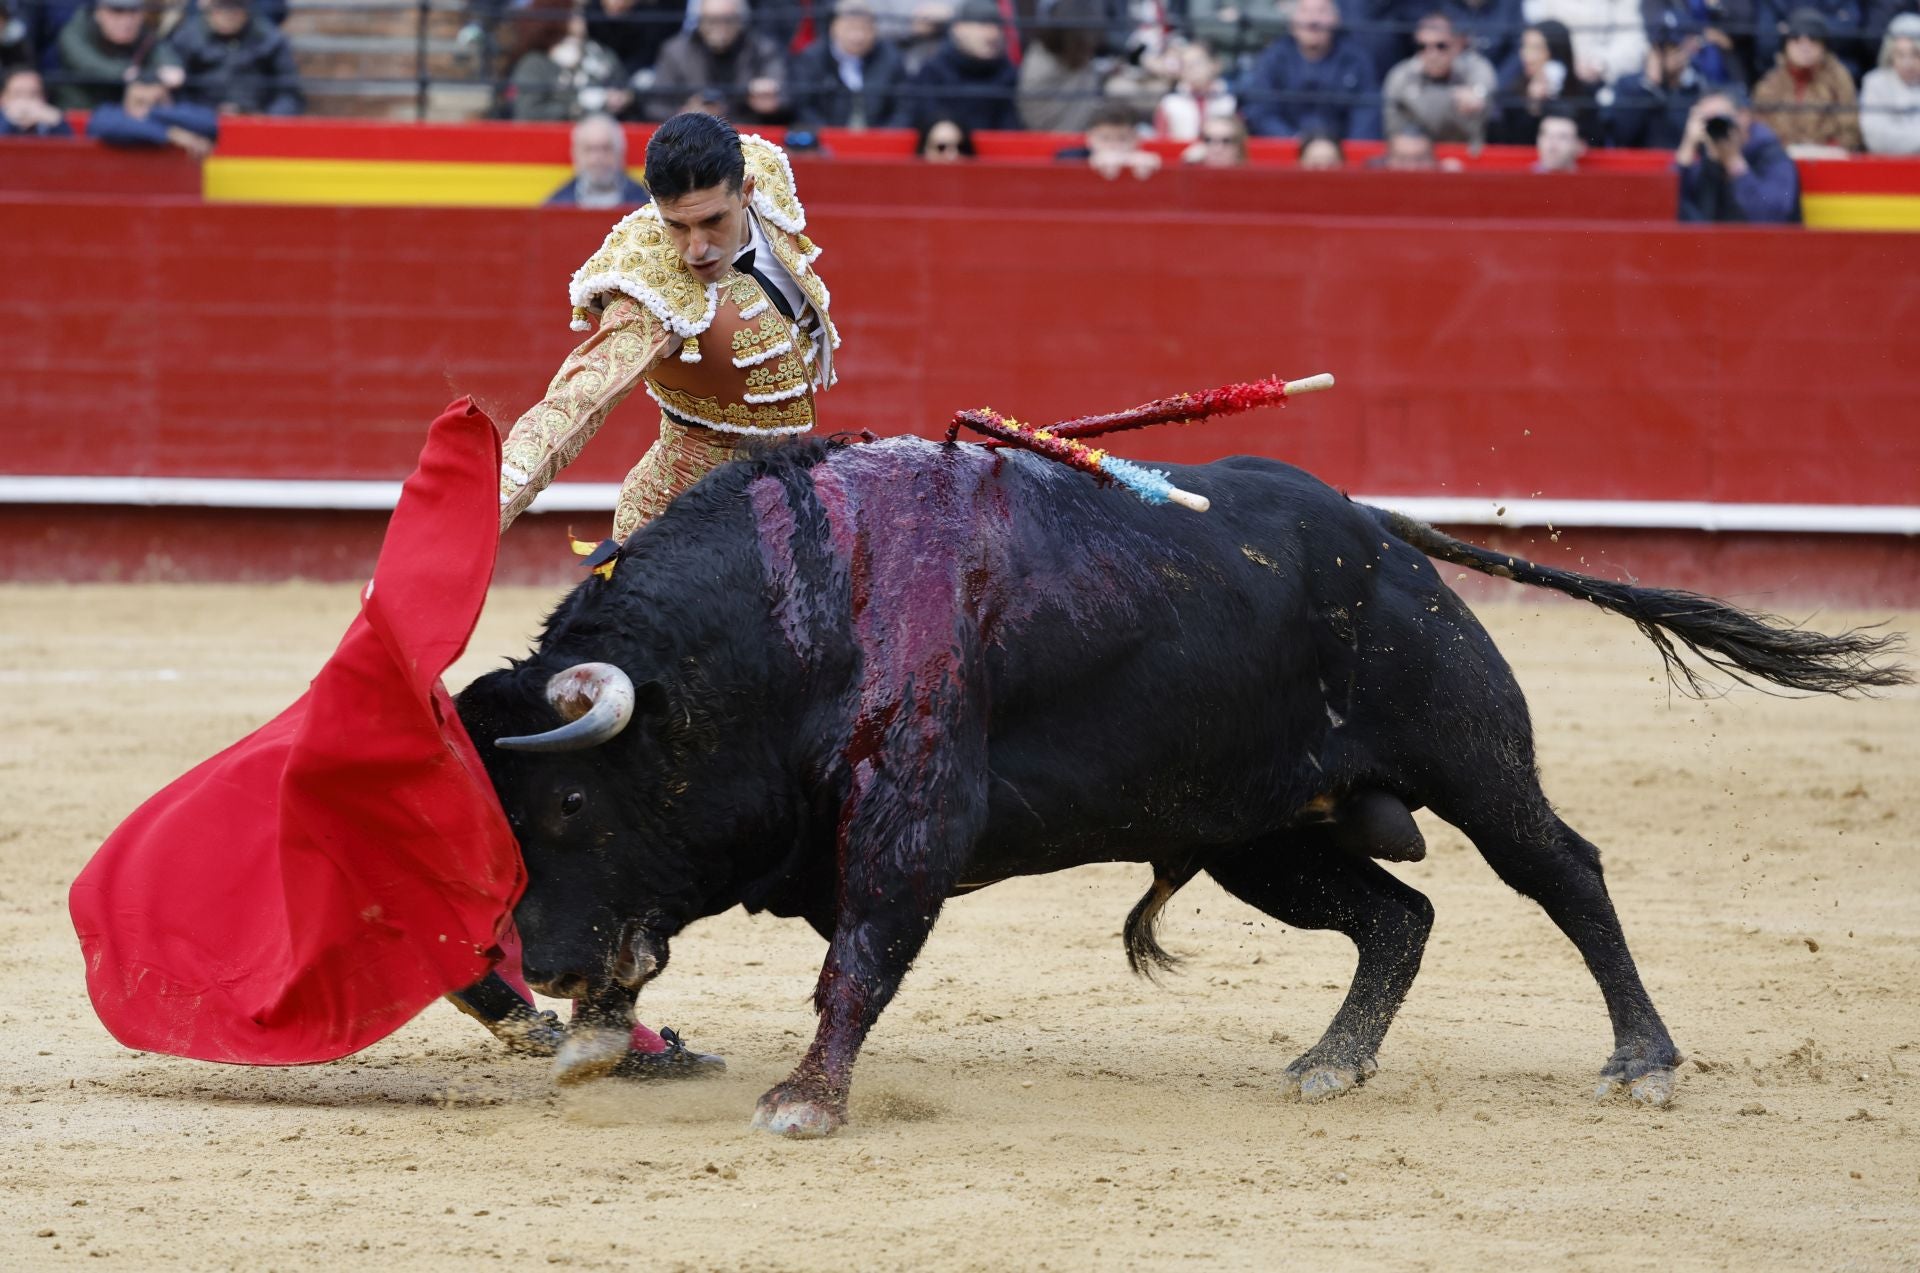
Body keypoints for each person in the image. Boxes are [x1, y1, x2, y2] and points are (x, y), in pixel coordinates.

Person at [499, 111, 841, 556]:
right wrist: (482, 513)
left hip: (781, 501)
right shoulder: (651, 285)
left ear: (747, 194)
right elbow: (576, 403)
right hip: (676, 523)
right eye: (676, 226)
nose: (696, 249)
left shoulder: (764, 177)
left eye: (713, 221)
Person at [1239, 0, 1382, 140]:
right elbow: (1262, 112)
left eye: (1322, 11)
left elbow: (1366, 115)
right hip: (1286, 152)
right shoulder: (1273, 59)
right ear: (1292, 22)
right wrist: (1296, 143)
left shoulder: (1356, 60)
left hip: (1341, 154)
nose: (1313, 20)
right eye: (1305, 11)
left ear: (1336, 19)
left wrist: (1339, 151)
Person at [646, 0, 786, 122]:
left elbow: (788, 97)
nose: (719, 28)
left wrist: (770, 100)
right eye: (711, 20)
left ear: (740, 21)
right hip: (692, 140)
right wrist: (686, 113)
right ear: (699, 21)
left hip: (748, 135)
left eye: (727, 20)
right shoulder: (675, 52)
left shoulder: (761, 49)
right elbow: (654, 108)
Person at [1676, 85, 1801, 221]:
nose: (1714, 128)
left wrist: (1734, 162)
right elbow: (1668, 207)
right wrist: (1687, 146)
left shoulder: (1771, 156)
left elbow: (1772, 216)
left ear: (1744, 117)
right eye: (1707, 121)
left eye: (1720, 120)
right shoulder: (1704, 160)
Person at [162, 0, 302, 116]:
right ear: (206, 7)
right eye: (220, 6)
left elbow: (289, 92)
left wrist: (268, 118)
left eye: (236, 5)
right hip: (202, 124)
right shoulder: (186, 39)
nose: (228, 14)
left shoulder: (270, 39)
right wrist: (199, 116)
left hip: (257, 122)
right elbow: (174, 92)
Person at [789, 0, 913, 129]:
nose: (858, 36)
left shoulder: (891, 58)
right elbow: (804, 107)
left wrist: (886, 137)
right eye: (850, 28)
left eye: (865, 29)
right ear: (833, 27)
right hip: (826, 140)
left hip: (879, 140)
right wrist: (827, 135)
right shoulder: (813, 58)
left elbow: (903, 108)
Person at [1752, 7, 1863, 148]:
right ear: (1785, 45)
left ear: (1824, 46)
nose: (1805, 46)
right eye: (1796, 39)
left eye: (1813, 39)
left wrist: (1830, 148)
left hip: (1829, 159)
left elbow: (1850, 129)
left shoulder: (1839, 79)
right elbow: (1760, 128)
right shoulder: (1770, 83)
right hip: (1782, 159)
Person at [1382, 11, 1497, 145]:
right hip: (1419, 158)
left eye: (1441, 46)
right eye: (1422, 47)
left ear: (1457, 45)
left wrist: (1478, 95)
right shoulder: (1401, 76)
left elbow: (1485, 87)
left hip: (1468, 155)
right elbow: (1394, 132)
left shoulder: (1473, 66)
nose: (1432, 54)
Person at [906, 0, 1020, 131]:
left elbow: (1012, 129)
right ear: (958, 29)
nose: (992, 34)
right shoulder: (933, 72)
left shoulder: (1008, 73)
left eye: (997, 26)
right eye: (983, 25)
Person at [502, 5, 628, 121]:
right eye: (574, 13)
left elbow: (625, 85)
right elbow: (527, 113)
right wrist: (576, 108)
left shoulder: (600, 53)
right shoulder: (535, 63)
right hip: (555, 137)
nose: (581, 18)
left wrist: (621, 98)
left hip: (606, 130)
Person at [1606, 9, 1709, 147]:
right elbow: (1621, 138)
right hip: (1639, 166)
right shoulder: (1628, 86)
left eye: (1674, 47)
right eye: (1661, 48)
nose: (1669, 55)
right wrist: (1650, 85)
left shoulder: (1700, 85)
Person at [1490, 18, 1601, 143]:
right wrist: (1533, 108)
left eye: (1536, 48)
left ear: (1555, 52)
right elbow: (1510, 144)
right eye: (1525, 46)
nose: (1527, 55)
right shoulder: (1512, 93)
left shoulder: (1583, 93)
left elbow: (1594, 140)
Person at [53, 0, 174, 110]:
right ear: (99, 12)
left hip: (127, 114)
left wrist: (167, 68)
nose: (127, 20)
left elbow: (164, 56)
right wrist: (127, 72)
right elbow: (88, 63)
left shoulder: (143, 33)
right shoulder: (76, 32)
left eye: (133, 11)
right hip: (83, 113)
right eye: (117, 11)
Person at [85, 63, 217, 155]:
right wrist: (170, 134)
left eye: (157, 103)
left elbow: (210, 122)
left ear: (169, 99)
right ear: (125, 101)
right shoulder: (111, 114)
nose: (146, 110)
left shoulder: (182, 112)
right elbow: (103, 125)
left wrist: (154, 113)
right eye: (139, 102)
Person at [545, 112, 651, 207]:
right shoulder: (556, 205)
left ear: (620, 152)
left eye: (606, 148)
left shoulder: (647, 206)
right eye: (589, 149)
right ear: (575, 154)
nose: (597, 158)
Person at [1154, 38, 1237, 140]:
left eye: (1197, 63)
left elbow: (1238, 140)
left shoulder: (1230, 100)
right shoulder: (1170, 103)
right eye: (1185, 64)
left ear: (1215, 64)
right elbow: (1161, 141)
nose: (1191, 69)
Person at [1860, 10, 1920, 151]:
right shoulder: (1874, 82)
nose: (1907, 63)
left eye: (1915, 54)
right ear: (1889, 54)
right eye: (1900, 54)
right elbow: (1876, 139)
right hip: (1885, 169)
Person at [1066, 100, 1163, 176]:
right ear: (1090, 138)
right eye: (1105, 138)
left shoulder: (1144, 160)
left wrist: (1129, 161)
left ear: (1137, 139)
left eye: (1122, 139)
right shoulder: (1070, 156)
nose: (1113, 145)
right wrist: (1091, 161)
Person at [1, 64, 73, 133]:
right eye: (18, 94)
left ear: (44, 98)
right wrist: (9, 121)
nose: (26, 100)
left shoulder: (53, 121)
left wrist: (56, 122)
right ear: (3, 98)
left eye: (34, 94)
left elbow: (70, 143)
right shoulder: (3, 121)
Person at [1184, 109, 1250, 162]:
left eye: (1226, 141)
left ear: (1239, 146)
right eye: (1208, 140)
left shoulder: (1251, 177)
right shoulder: (1190, 169)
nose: (1217, 149)